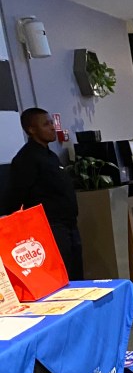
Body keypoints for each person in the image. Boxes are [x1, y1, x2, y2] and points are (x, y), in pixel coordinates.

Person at [4, 108, 83, 279]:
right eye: (46, 124)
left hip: (69, 224)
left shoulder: (51, 156)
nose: (52, 127)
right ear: (32, 129)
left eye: (52, 123)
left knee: (76, 272)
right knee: (62, 276)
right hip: (50, 228)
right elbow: (15, 196)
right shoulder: (26, 159)